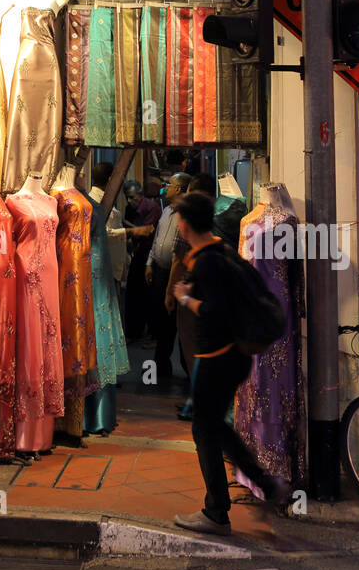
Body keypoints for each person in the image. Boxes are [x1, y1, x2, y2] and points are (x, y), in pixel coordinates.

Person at [170, 191, 289, 535]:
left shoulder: (207, 261)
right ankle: (265, 486)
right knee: (215, 428)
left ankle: (217, 512)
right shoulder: (219, 250)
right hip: (234, 357)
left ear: (185, 223)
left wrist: (186, 299)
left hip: (217, 359)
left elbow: (214, 311)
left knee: (205, 429)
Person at [146, 172, 191, 377]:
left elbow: (179, 255)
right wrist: (149, 263)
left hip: (177, 276)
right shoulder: (166, 212)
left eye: (170, 185)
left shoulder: (186, 215)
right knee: (161, 322)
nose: (166, 188)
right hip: (160, 272)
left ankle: (187, 368)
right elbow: (157, 239)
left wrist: (169, 288)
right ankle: (161, 367)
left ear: (179, 189)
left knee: (177, 324)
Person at [122, 180, 160, 343]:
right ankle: (133, 333)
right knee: (133, 294)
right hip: (137, 253)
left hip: (149, 254)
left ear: (140, 195)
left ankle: (151, 334)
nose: (130, 201)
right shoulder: (129, 209)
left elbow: (147, 232)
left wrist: (127, 229)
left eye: (133, 197)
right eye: (127, 198)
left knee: (148, 295)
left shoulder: (151, 207)